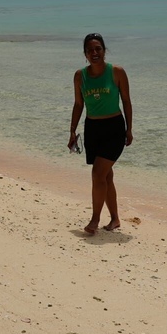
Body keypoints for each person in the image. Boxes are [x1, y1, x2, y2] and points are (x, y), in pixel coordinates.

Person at [69, 33, 133, 234]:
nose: (94, 53)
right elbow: (79, 104)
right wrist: (72, 131)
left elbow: (127, 101)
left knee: (97, 174)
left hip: (114, 128)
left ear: (104, 50)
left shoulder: (117, 72)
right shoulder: (80, 76)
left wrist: (129, 129)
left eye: (98, 49)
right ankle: (115, 219)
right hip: (92, 129)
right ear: (85, 54)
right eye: (90, 50)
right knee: (106, 176)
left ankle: (95, 219)